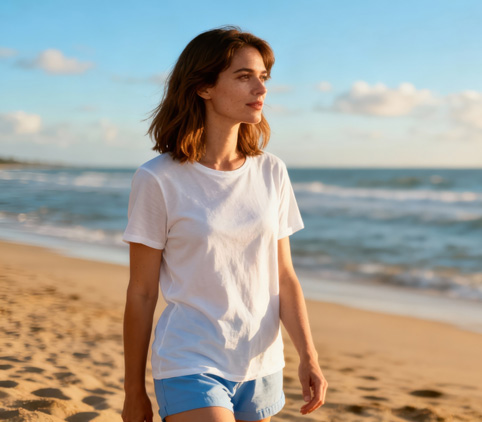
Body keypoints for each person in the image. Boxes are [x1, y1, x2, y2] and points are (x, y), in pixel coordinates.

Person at [120, 26, 327, 422]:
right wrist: (134, 389)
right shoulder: (158, 179)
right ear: (203, 87)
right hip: (188, 358)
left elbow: (284, 278)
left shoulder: (271, 171)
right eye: (244, 76)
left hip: (260, 362)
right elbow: (142, 292)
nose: (260, 89)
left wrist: (309, 357)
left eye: (263, 77)